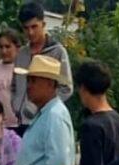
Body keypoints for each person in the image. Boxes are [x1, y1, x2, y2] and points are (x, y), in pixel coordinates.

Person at [11, 1, 73, 134]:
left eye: (34, 26)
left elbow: (66, 88)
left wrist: (42, 106)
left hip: (46, 121)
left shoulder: (57, 51)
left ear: (43, 24)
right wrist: (16, 105)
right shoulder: (21, 53)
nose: (30, 32)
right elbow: (14, 85)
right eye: (26, 28)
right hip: (21, 121)